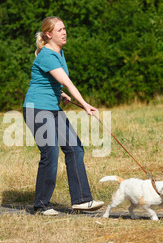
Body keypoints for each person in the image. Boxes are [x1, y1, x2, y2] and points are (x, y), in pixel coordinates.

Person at [23, 16, 104, 216]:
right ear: (49, 34)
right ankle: (41, 205)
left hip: (52, 107)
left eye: (64, 28)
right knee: (50, 153)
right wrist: (85, 104)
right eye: (59, 30)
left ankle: (82, 200)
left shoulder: (60, 53)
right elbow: (66, 81)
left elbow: (52, 82)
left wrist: (60, 94)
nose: (64, 32)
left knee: (75, 148)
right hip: (36, 109)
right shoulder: (47, 55)